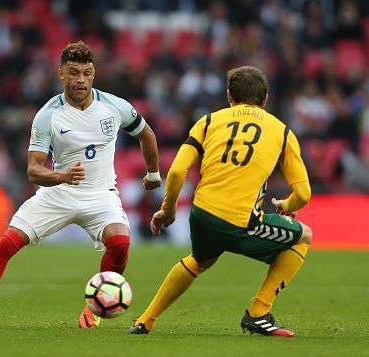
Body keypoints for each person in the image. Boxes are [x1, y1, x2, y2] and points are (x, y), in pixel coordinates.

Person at [0, 41, 161, 329]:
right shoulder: (48, 115)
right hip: (57, 194)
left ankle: (91, 311)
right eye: (73, 73)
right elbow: (33, 170)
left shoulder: (115, 106)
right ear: (61, 74)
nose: (80, 80)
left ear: (94, 73)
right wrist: (62, 176)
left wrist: (154, 174)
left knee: (120, 243)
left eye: (86, 73)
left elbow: (147, 135)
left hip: (100, 194)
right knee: (5, 246)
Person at [129, 66, 313, 337]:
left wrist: (167, 210)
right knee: (303, 236)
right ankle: (259, 312)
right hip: (239, 221)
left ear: (229, 95)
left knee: (200, 260)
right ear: (265, 99)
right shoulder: (282, 132)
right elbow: (304, 194)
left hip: (201, 214)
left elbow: (178, 171)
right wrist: (287, 206)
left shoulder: (208, 121)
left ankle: (146, 320)